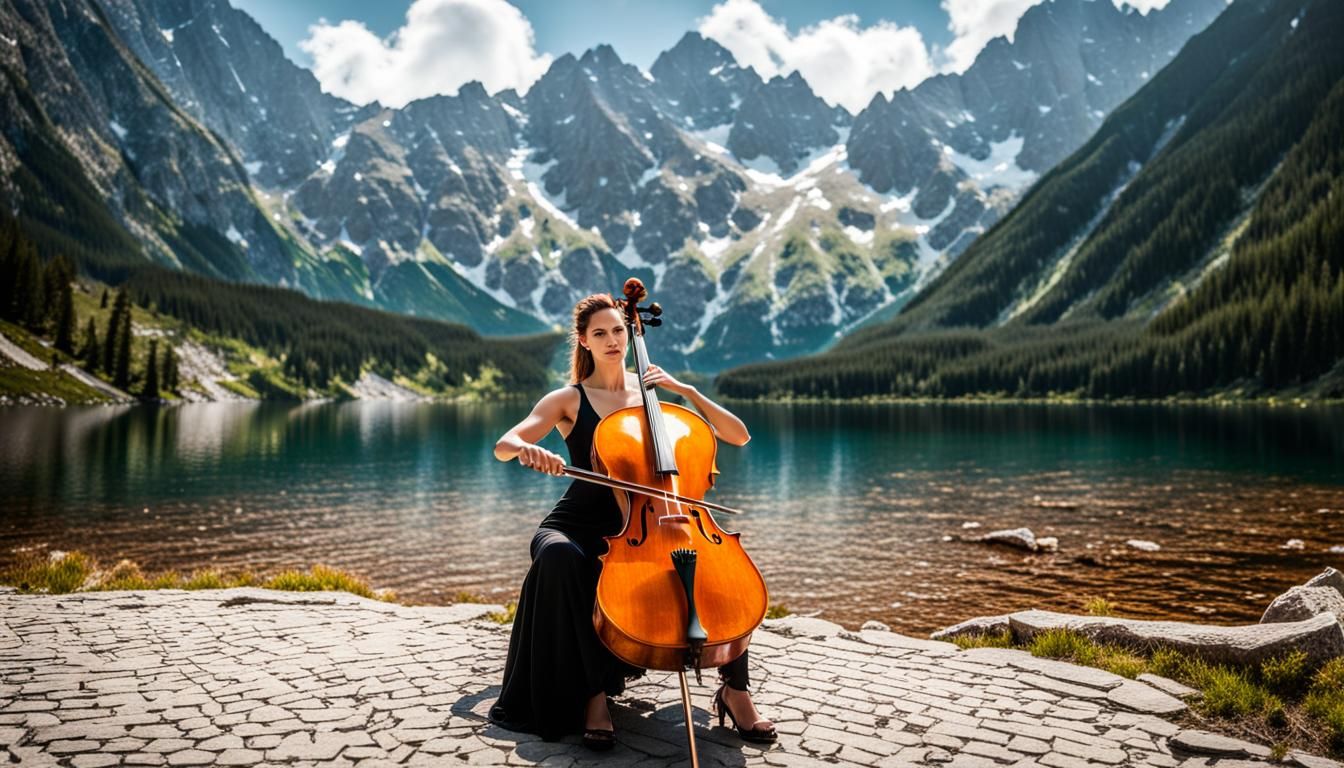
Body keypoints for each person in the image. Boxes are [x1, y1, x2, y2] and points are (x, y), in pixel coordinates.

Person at [489, 292, 776, 750]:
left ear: (629, 333)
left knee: (717, 571)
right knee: (562, 559)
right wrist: (529, 449)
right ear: (583, 341)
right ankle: (592, 696)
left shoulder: (654, 400)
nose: (611, 340)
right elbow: (504, 443)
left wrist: (688, 391)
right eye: (599, 333)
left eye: (618, 331)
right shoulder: (568, 398)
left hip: (647, 526)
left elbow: (738, 436)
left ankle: (735, 691)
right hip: (577, 525)